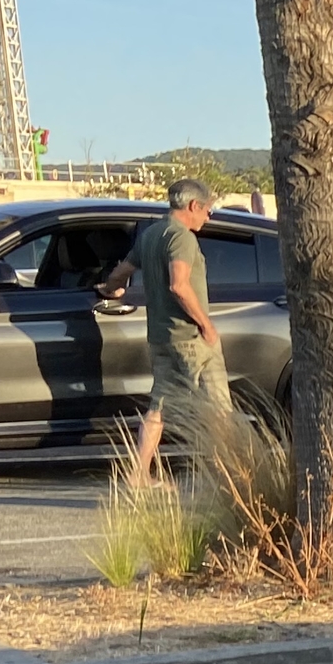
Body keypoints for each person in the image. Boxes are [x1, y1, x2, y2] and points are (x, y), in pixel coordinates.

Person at [95, 178, 231, 477]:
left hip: (160, 336)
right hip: (190, 337)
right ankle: (224, 476)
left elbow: (122, 272)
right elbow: (179, 286)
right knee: (218, 407)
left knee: (158, 407)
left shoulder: (150, 235)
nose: (208, 217)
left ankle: (139, 474)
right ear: (193, 206)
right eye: (208, 210)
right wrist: (206, 326)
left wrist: (110, 289)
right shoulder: (182, 237)